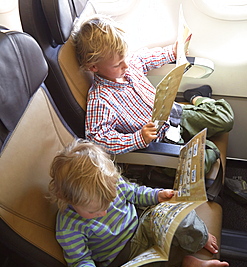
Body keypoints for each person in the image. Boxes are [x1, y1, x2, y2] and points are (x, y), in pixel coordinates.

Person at [49, 139, 229, 267]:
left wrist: (158, 195)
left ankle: (198, 238)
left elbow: (135, 193)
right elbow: (79, 260)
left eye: (109, 203)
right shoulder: (69, 227)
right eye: (93, 212)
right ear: (67, 200)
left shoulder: (112, 182)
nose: (103, 213)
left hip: (144, 224)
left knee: (175, 212)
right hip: (128, 261)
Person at [72, 15, 234, 171]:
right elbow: (98, 138)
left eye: (125, 57)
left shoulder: (130, 64)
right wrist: (137, 138)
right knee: (203, 162)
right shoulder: (100, 99)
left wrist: (174, 51)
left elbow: (147, 58)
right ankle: (199, 145)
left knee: (225, 118)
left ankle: (195, 97)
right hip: (160, 139)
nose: (126, 65)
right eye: (117, 65)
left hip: (174, 114)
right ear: (93, 67)